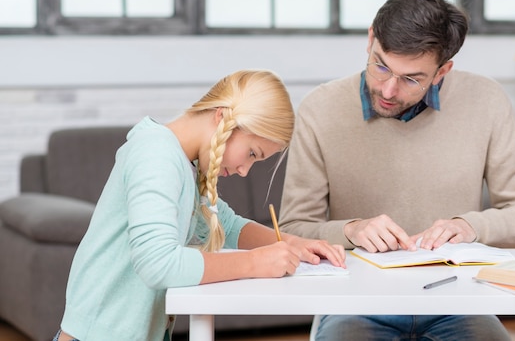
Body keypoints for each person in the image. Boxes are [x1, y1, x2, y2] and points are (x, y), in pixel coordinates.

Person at [278, 0, 515, 340]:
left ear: (442, 71)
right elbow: (293, 227)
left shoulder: (486, 101)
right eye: (381, 67)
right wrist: (351, 231)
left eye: (411, 79)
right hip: (356, 302)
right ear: (370, 38)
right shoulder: (320, 108)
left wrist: (470, 226)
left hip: (458, 301)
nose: (389, 90)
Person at [54, 70, 346, 341]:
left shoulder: (183, 162)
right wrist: (255, 263)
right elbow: (157, 263)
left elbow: (227, 225)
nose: (245, 170)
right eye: (252, 153)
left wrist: (294, 244)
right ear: (221, 118)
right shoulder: (156, 155)